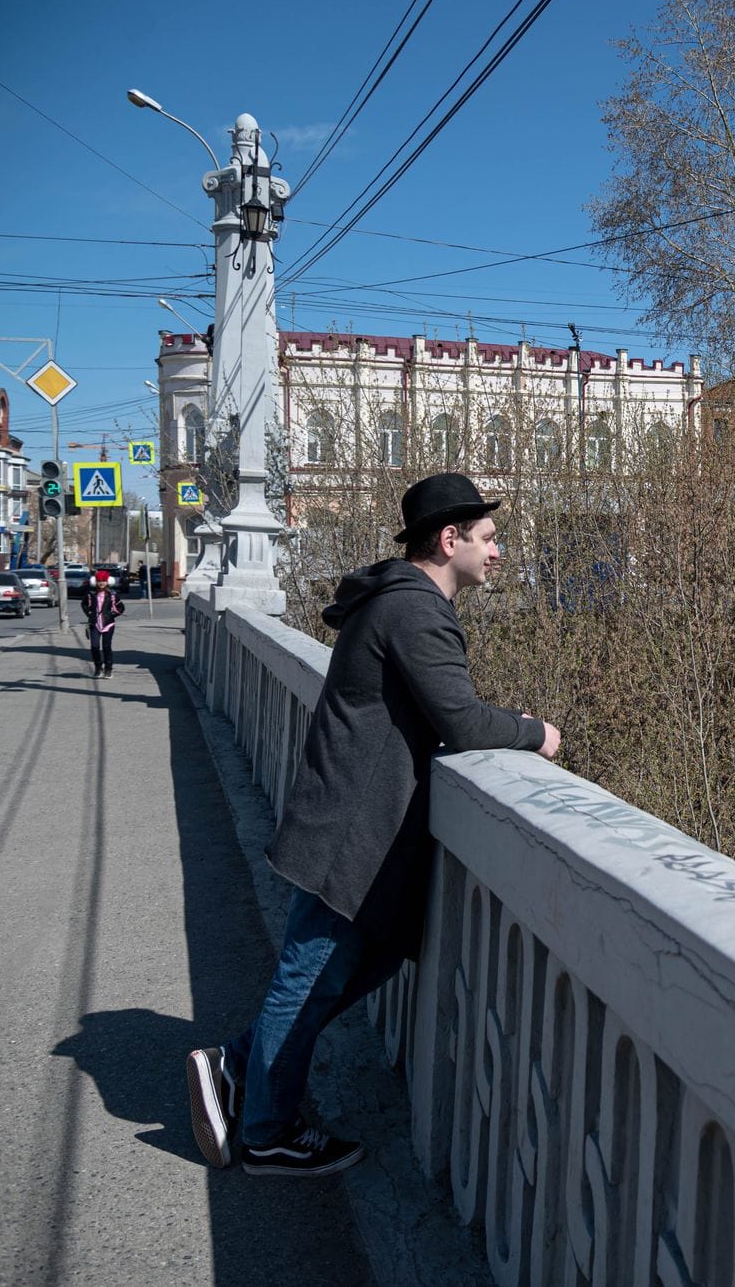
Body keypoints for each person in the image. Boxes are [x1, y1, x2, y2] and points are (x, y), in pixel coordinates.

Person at [186, 473, 560, 1177]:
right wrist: (536, 731)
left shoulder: (396, 600)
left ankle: (234, 1064)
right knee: (311, 975)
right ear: (449, 541)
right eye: (488, 538)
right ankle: (265, 1128)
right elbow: (462, 719)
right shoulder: (416, 610)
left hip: (352, 823)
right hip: (349, 829)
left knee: (367, 960)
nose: (499, 551)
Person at [81, 569, 125, 676]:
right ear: (95, 581)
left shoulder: (112, 594)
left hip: (108, 624)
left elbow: (121, 607)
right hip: (94, 624)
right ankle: (98, 668)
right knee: (95, 647)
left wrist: (112, 615)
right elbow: (84, 604)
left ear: (107, 581)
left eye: (103, 580)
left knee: (106, 647)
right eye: (99, 580)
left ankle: (108, 669)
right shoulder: (90, 594)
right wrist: (89, 614)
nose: (101, 583)